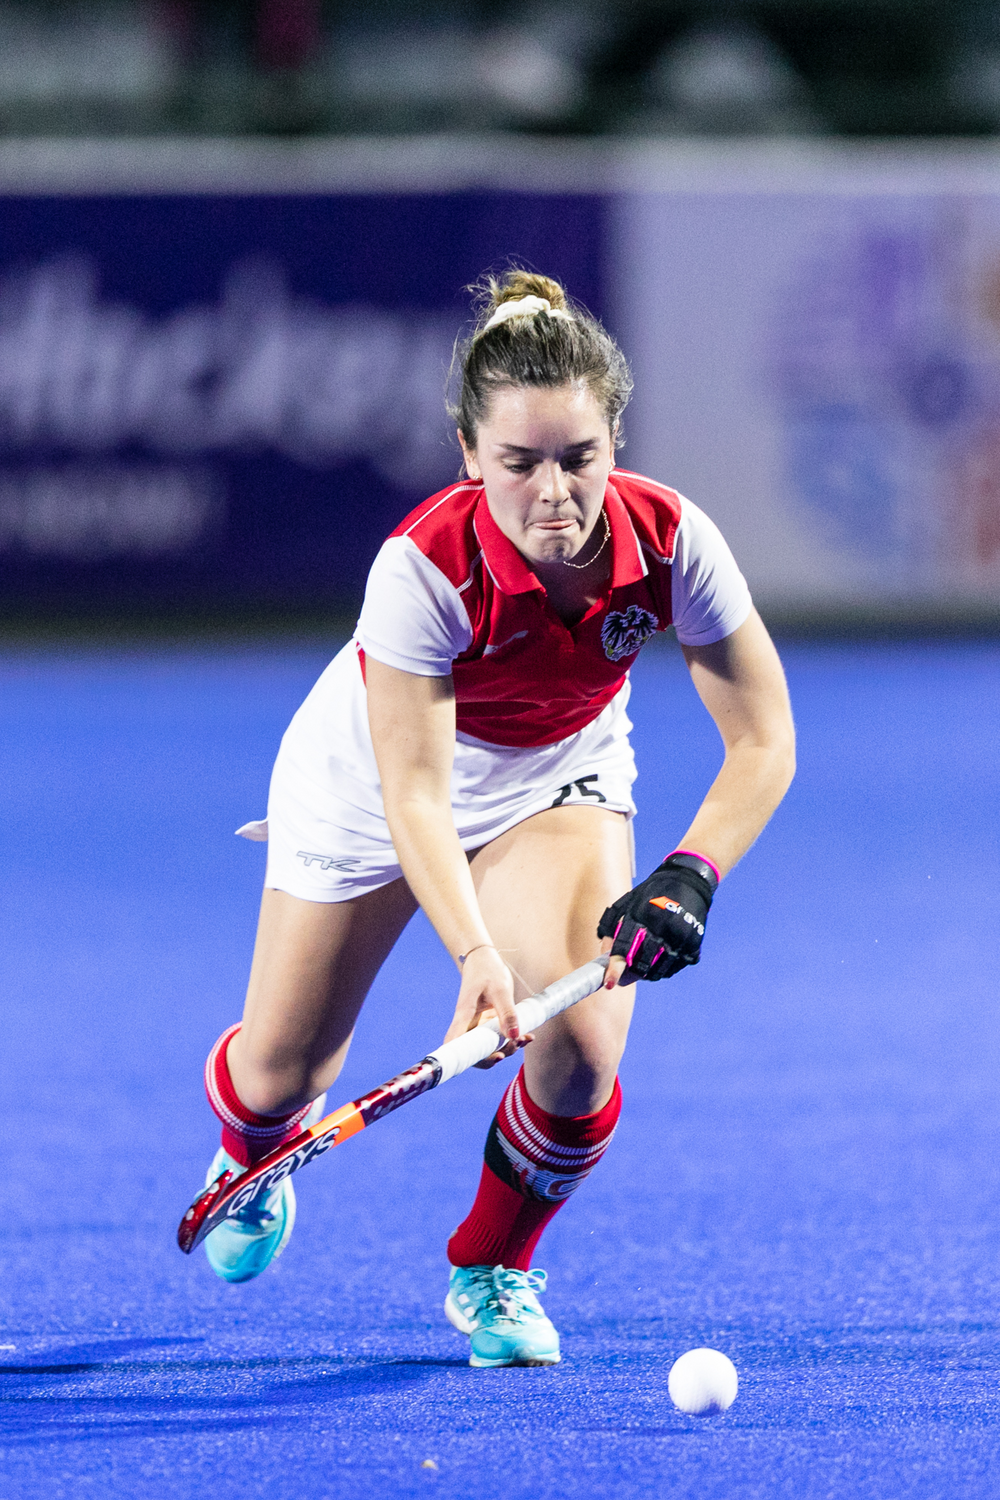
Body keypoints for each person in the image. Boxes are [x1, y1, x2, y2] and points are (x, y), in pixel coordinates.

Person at [198, 270, 795, 1369]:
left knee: (581, 1048)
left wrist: (690, 872)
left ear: (614, 442)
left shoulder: (672, 540)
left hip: (555, 771)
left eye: (579, 458)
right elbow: (416, 793)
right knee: (282, 1074)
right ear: (470, 455)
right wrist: (476, 953)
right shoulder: (421, 568)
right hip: (373, 779)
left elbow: (763, 737)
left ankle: (493, 1266)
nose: (554, 494)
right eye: (519, 463)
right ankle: (249, 1149)